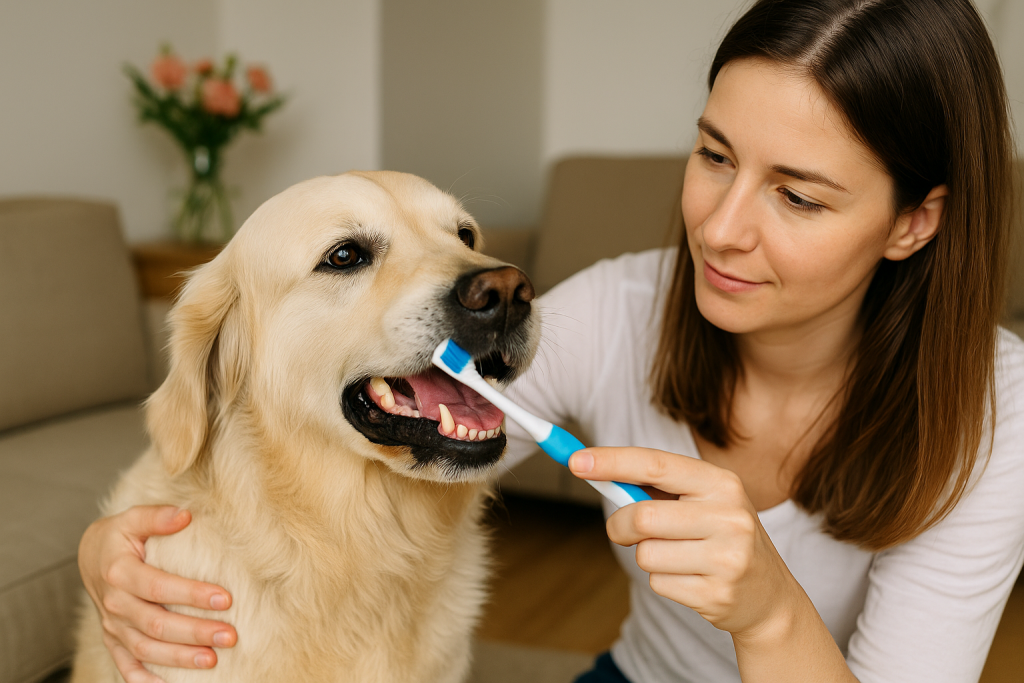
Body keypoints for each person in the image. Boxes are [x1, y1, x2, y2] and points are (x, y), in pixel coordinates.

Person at [77, 0, 1024, 681]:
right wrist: (104, 551)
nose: (720, 228)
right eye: (713, 155)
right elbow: (411, 428)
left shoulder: (1001, 414)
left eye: (798, 195)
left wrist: (771, 612)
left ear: (913, 222)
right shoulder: (624, 307)